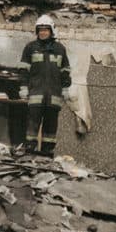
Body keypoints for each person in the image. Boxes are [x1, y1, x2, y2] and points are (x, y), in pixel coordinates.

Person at [18, 14, 72, 156]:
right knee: (32, 124)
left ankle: (47, 153)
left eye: (45, 30)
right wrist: (23, 88)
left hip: (54, 96)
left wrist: (66, 88)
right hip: (36, 94)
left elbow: (65, 71)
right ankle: (30, 151)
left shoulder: (60, 49)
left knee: (51, 126)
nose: (42, 32)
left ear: (51, 31)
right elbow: (24, 71)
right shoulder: (30, 48)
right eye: (40, 30)